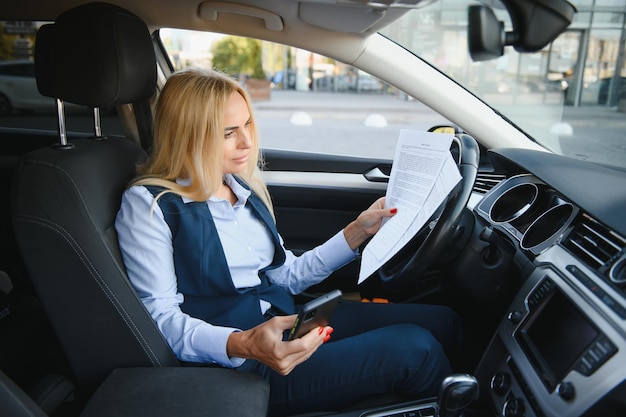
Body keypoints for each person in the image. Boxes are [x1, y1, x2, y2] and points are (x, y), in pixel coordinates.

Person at [115, 68, 462, 416]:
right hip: (243, 364)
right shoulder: (151, 204)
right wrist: (243, 343)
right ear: (188, 135)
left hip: (289, 320)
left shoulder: (241, 187)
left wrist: (358, 231)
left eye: (248, 124)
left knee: (444, 321)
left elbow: (286, 276)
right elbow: (160, 319)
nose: (247, 142)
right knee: (417, 350)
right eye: (228, 132)